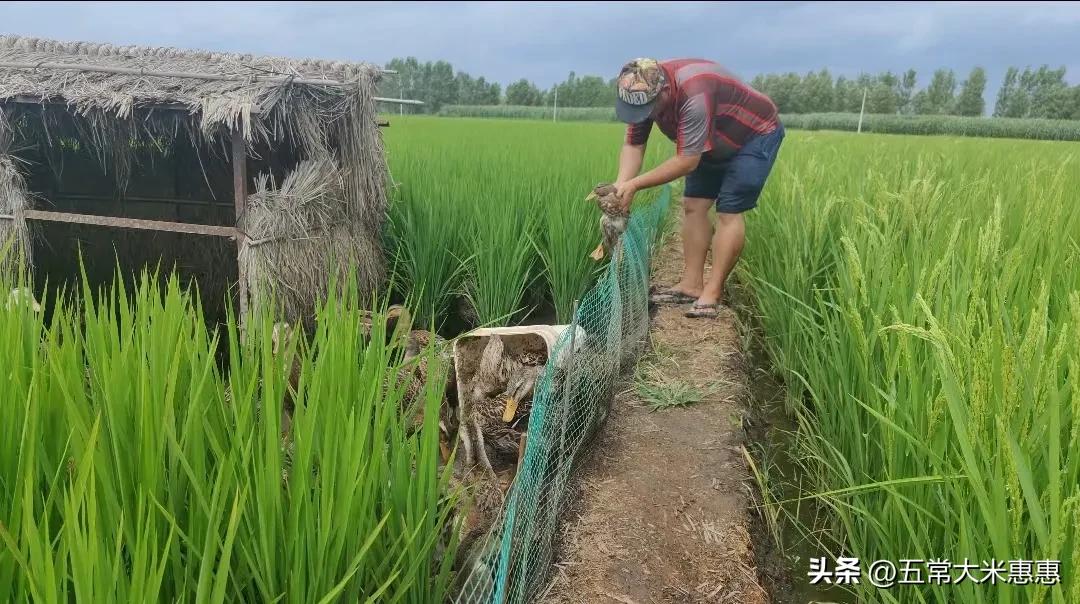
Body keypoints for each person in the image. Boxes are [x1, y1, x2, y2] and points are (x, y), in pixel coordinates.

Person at [612, 58, 784, 319]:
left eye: (649, 109)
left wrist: (635, 185)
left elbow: (687, 160)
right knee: (693, 205)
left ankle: (712, 293)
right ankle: (691, 285)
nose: (644, 116)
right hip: (711, 140)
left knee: (729, 209)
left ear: (665, 92)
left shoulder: (694, 92)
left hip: (753, 136)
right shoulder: (642, 93)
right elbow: (634, 145)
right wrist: (621, 184)